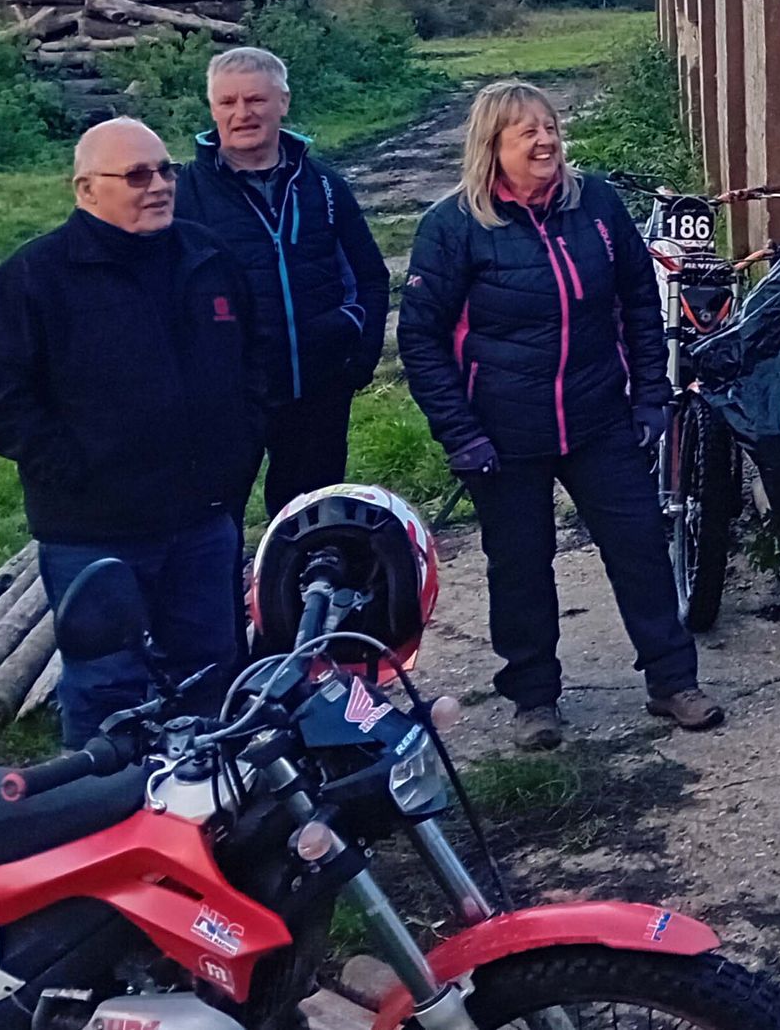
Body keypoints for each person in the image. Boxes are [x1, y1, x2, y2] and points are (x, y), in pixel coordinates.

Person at [398, 81, 723, 750]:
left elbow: (639, 300)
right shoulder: (454, 226)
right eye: (528, 132)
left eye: (549, 127)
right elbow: (421, 340)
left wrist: (649, 397)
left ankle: (673, 682)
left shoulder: (595, 204)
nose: (546, 140)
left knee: (640, 548)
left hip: (599, 415)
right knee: (520, 565)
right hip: (502, 432)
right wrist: (460, 433)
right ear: (493, 145)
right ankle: (534, 699)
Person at [0, 119, 262, 745]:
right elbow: (1, 395)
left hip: (201, 520)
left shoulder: (207, 257)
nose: (159, 185)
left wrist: (239, 442)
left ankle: (204, 799)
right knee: (105, 688)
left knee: (209, 674)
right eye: (137, 175)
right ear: (86, 190)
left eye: (166, 170)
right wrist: (71, 469)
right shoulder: (34, 279)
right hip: (94, 532)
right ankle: (112, 802)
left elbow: (255, 357)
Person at [176, 47, 389, 519]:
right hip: (227, 398)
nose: (242, 113)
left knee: (309, 524)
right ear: (212, 109)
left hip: (318, 390)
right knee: (213, 524)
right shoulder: (183, 195)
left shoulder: (324, 186)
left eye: (255, 99)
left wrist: (359, 356)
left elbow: (370, 277)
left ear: (283, 103)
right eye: (227, 102)